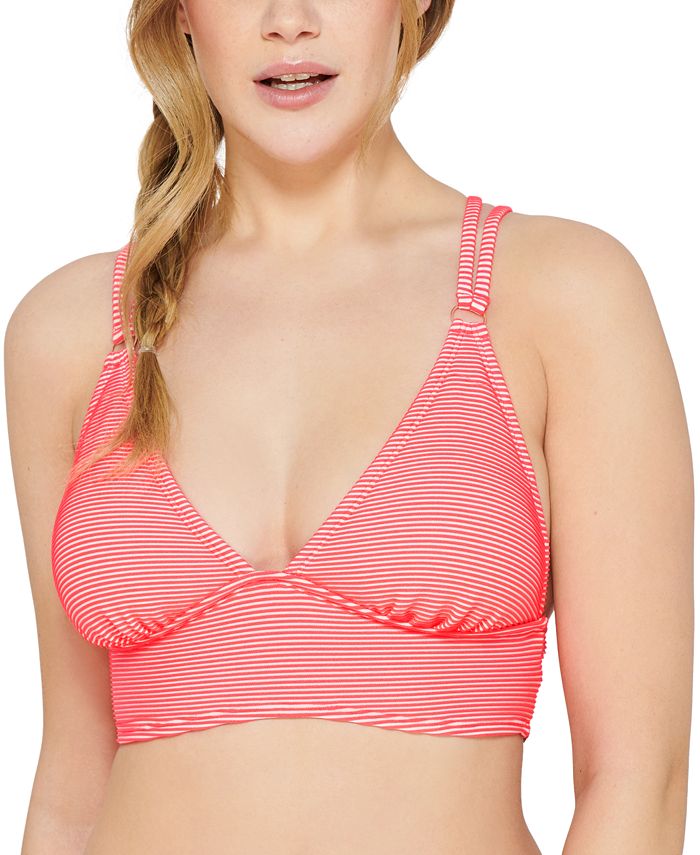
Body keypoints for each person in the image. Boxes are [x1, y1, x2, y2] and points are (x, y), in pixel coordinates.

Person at [7, 1, 693, 853]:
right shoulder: (70, 334)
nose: (289, 20)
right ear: (180, 11)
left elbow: (638, 778)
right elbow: (73, 781)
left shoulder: (561, 295)